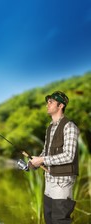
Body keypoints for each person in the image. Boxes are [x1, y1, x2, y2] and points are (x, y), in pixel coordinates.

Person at [30, 91, 79, 224]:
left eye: (51, 102)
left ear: (61, 105)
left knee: (60, 220)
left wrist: (42, 160)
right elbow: (45, 153)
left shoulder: (70, 127)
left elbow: (69, 156)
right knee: (49, 219)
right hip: (49, 181)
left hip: (62, 183)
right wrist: (34, 163)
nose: (47, 105)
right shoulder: (50, 128)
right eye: (47, 102)